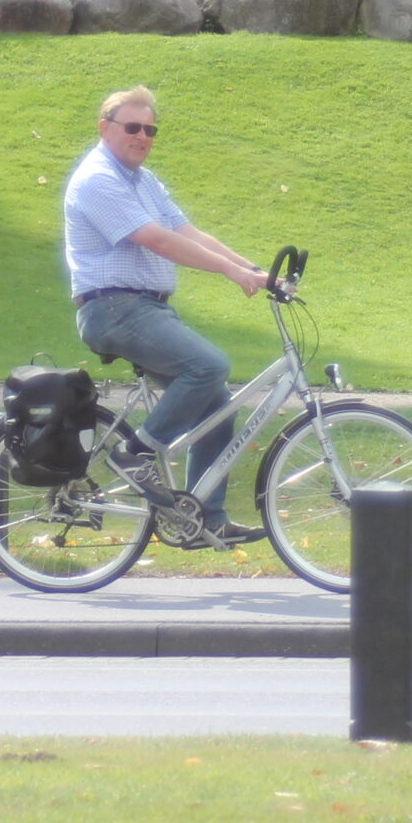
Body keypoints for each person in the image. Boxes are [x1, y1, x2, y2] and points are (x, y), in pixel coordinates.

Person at [62, 85, 268, 547]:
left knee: (217, 403)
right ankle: (134, 454)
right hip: (114, 307)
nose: (142, 136)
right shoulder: (98, 178)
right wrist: (231, 272)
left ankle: (206, 519)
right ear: (105, 128)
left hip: (146, 308)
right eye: (132, 127)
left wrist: (254, 270)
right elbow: (157, 240)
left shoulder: (144, 181)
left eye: (150, 130)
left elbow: (187, 232)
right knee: (209, 365)